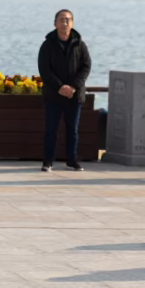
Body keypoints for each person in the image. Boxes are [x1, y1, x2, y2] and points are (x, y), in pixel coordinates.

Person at [37, 9, 92, 172]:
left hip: (74, 96)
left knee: (72, 131)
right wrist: (60, 87)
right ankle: (48, 161)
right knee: (51, 130)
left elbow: (86, 66)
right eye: (61, 20)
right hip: (54, 95)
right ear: (55, 24)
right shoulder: (47, 45)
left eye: (68, 20)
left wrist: (73, 86)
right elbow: (44, 69)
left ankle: (72, 160)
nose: (65, 23)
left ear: (72, 23)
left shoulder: (80, 44)